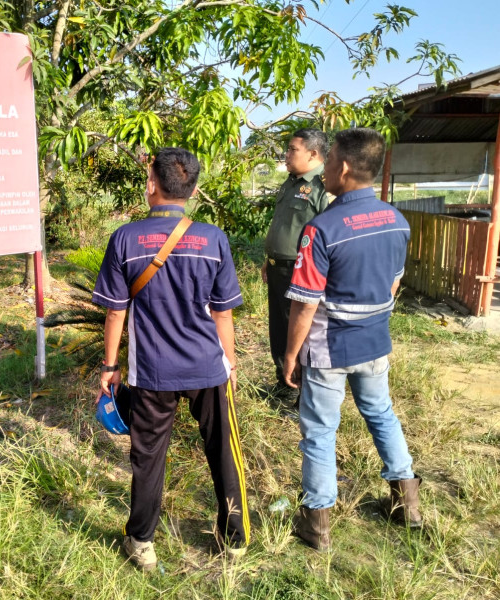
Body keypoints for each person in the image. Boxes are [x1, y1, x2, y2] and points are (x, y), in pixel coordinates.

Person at [92, 147, 250, 571]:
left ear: (151, 186)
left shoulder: (125, 238)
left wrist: (110, 367)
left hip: (152, 372)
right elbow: (223, 312)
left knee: (148, 458)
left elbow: (115, 311)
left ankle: (141, 542)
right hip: (208, 367)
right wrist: (229, 363)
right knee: (223, 452)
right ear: (193, 189)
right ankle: (234, 540)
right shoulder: (214, 239)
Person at [283, 128, 422, 551]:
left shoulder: (321, 229)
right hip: (375, 342)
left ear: (342, 167)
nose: (324, 170)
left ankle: (318, 525)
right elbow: (393, 285)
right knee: (381, 414)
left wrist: (290, 355)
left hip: (329, 348)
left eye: (330, 161)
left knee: (320, 431)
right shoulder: (397, 221)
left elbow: (305, 304)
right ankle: (407, 507)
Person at [262, 128, 329, 398]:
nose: (286, 155)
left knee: (299, 333)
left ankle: (302, 391)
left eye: (292, 150)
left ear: (313, 153)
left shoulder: (323, 186)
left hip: (302, 271)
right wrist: (270, 259)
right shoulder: (291, 182)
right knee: (278, 329)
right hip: (279, 267)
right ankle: (284, 383)